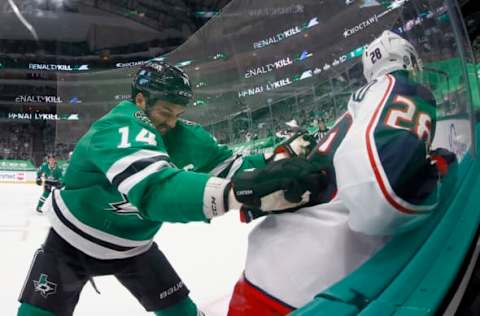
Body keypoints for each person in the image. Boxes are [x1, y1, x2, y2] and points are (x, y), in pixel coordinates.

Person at [17, 60, 327, 316]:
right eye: (165, 112)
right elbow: (155, 191)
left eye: (178, 115)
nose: (171, 123)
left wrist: (278, 157)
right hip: (70, 246)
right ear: (140, 100)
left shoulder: (186, 136)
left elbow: (230, 167)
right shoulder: (116, 128)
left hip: (135, 249)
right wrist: (237, 192)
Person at [228, 30, 457, 315]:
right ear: (406, 58)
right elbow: (382, 198)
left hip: (263, 277)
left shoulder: (358, 104)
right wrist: (439, 172)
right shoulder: (398, 86)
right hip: (312, 291)